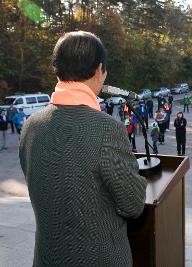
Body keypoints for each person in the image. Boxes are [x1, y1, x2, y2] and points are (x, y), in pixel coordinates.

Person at [18, 31, 147, 267]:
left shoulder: (30, 126)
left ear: (57, 69)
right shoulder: (107, 130)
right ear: (99, 70)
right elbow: (134, 204)